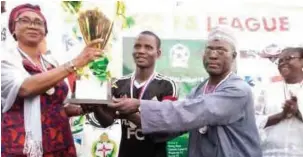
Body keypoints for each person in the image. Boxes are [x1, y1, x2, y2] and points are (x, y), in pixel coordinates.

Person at [110, 26, 262, 157]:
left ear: (233, 56)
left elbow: (191, 110)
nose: (213, 55)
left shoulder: (238, 90)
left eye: (221, 50)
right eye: (209, 49)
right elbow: (173, 125)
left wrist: (138, 104)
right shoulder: (199, 90)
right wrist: (122, 111)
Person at [1, 3, 102, 156]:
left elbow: (58, 105)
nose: (32, 25)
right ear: (13, 28)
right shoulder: (6, 60)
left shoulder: (51, 63)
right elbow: (24, 88)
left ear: (45, 31)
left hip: (60, 143)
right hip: (24, 147)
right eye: (24, 20)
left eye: (38, 22)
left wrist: (82, 109)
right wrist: (75, 63)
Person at [92, 31, 178, 157]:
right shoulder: (118, 84)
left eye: (148, 47)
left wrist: (128, 113)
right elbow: (107, 122)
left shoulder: (167, 85)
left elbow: (163, 127)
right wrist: (95, 106)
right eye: (137, 46)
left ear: (158, 54)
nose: (141, 51)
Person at [255, 47, 303, 157]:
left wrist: (298, 113)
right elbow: (253, 121)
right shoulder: (266, 90)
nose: (282, 63)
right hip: (271, 153)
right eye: (280, 60)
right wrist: (281, 115)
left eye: (288, 58)